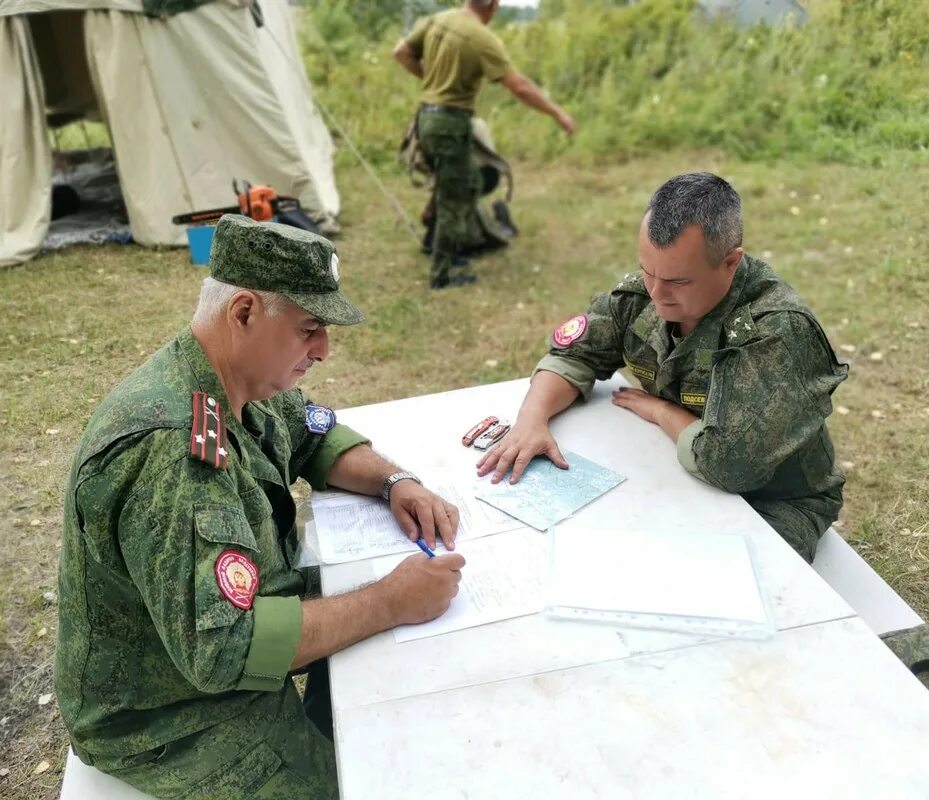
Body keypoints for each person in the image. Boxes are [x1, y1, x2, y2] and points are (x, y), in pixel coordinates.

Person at [54, 216, 466, 799]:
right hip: (170, 719)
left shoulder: (235, 380)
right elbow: (225, 650)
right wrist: (390, 601)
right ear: (244, 312)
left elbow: (313, 432)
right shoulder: (172, 455)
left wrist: (395, 481)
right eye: (309, 330)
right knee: (377, 777)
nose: (323, 350)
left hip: (211, 673)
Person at [477, 173, 848, 562]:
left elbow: (728, 467)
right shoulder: (649, 291)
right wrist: (530, 421)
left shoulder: (775, 333)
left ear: (730, 262)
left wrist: (661, 410)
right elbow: (575, 353)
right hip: (672, 470)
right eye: (647, 271)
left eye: (677, 280)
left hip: (771, 501)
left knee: (710, 587)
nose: (656, 293)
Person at [393, 0, 575, 289]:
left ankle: (444, 244)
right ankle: (442, 274)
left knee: (468, 184)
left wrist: (430, 80)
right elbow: (519, 86)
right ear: (493, 6)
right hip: (450, 124)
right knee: (454, 198)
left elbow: (401, 53)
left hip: (426, 118)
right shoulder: (481, 37)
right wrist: (557, 113)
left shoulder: (439, 20)